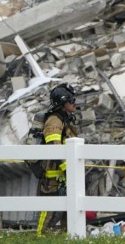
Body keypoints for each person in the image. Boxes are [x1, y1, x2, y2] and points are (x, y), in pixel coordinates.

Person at [37, 84, 79, 236]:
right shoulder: (54, 121)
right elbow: (54, 147)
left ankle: (69, 236)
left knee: (69, 208)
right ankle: (40, 237)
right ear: (62, 102)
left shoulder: (65, 119)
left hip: (63, 174)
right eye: (72, 100)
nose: (75, 103)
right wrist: (68, 168)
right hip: (52, 175)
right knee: (48, 210)